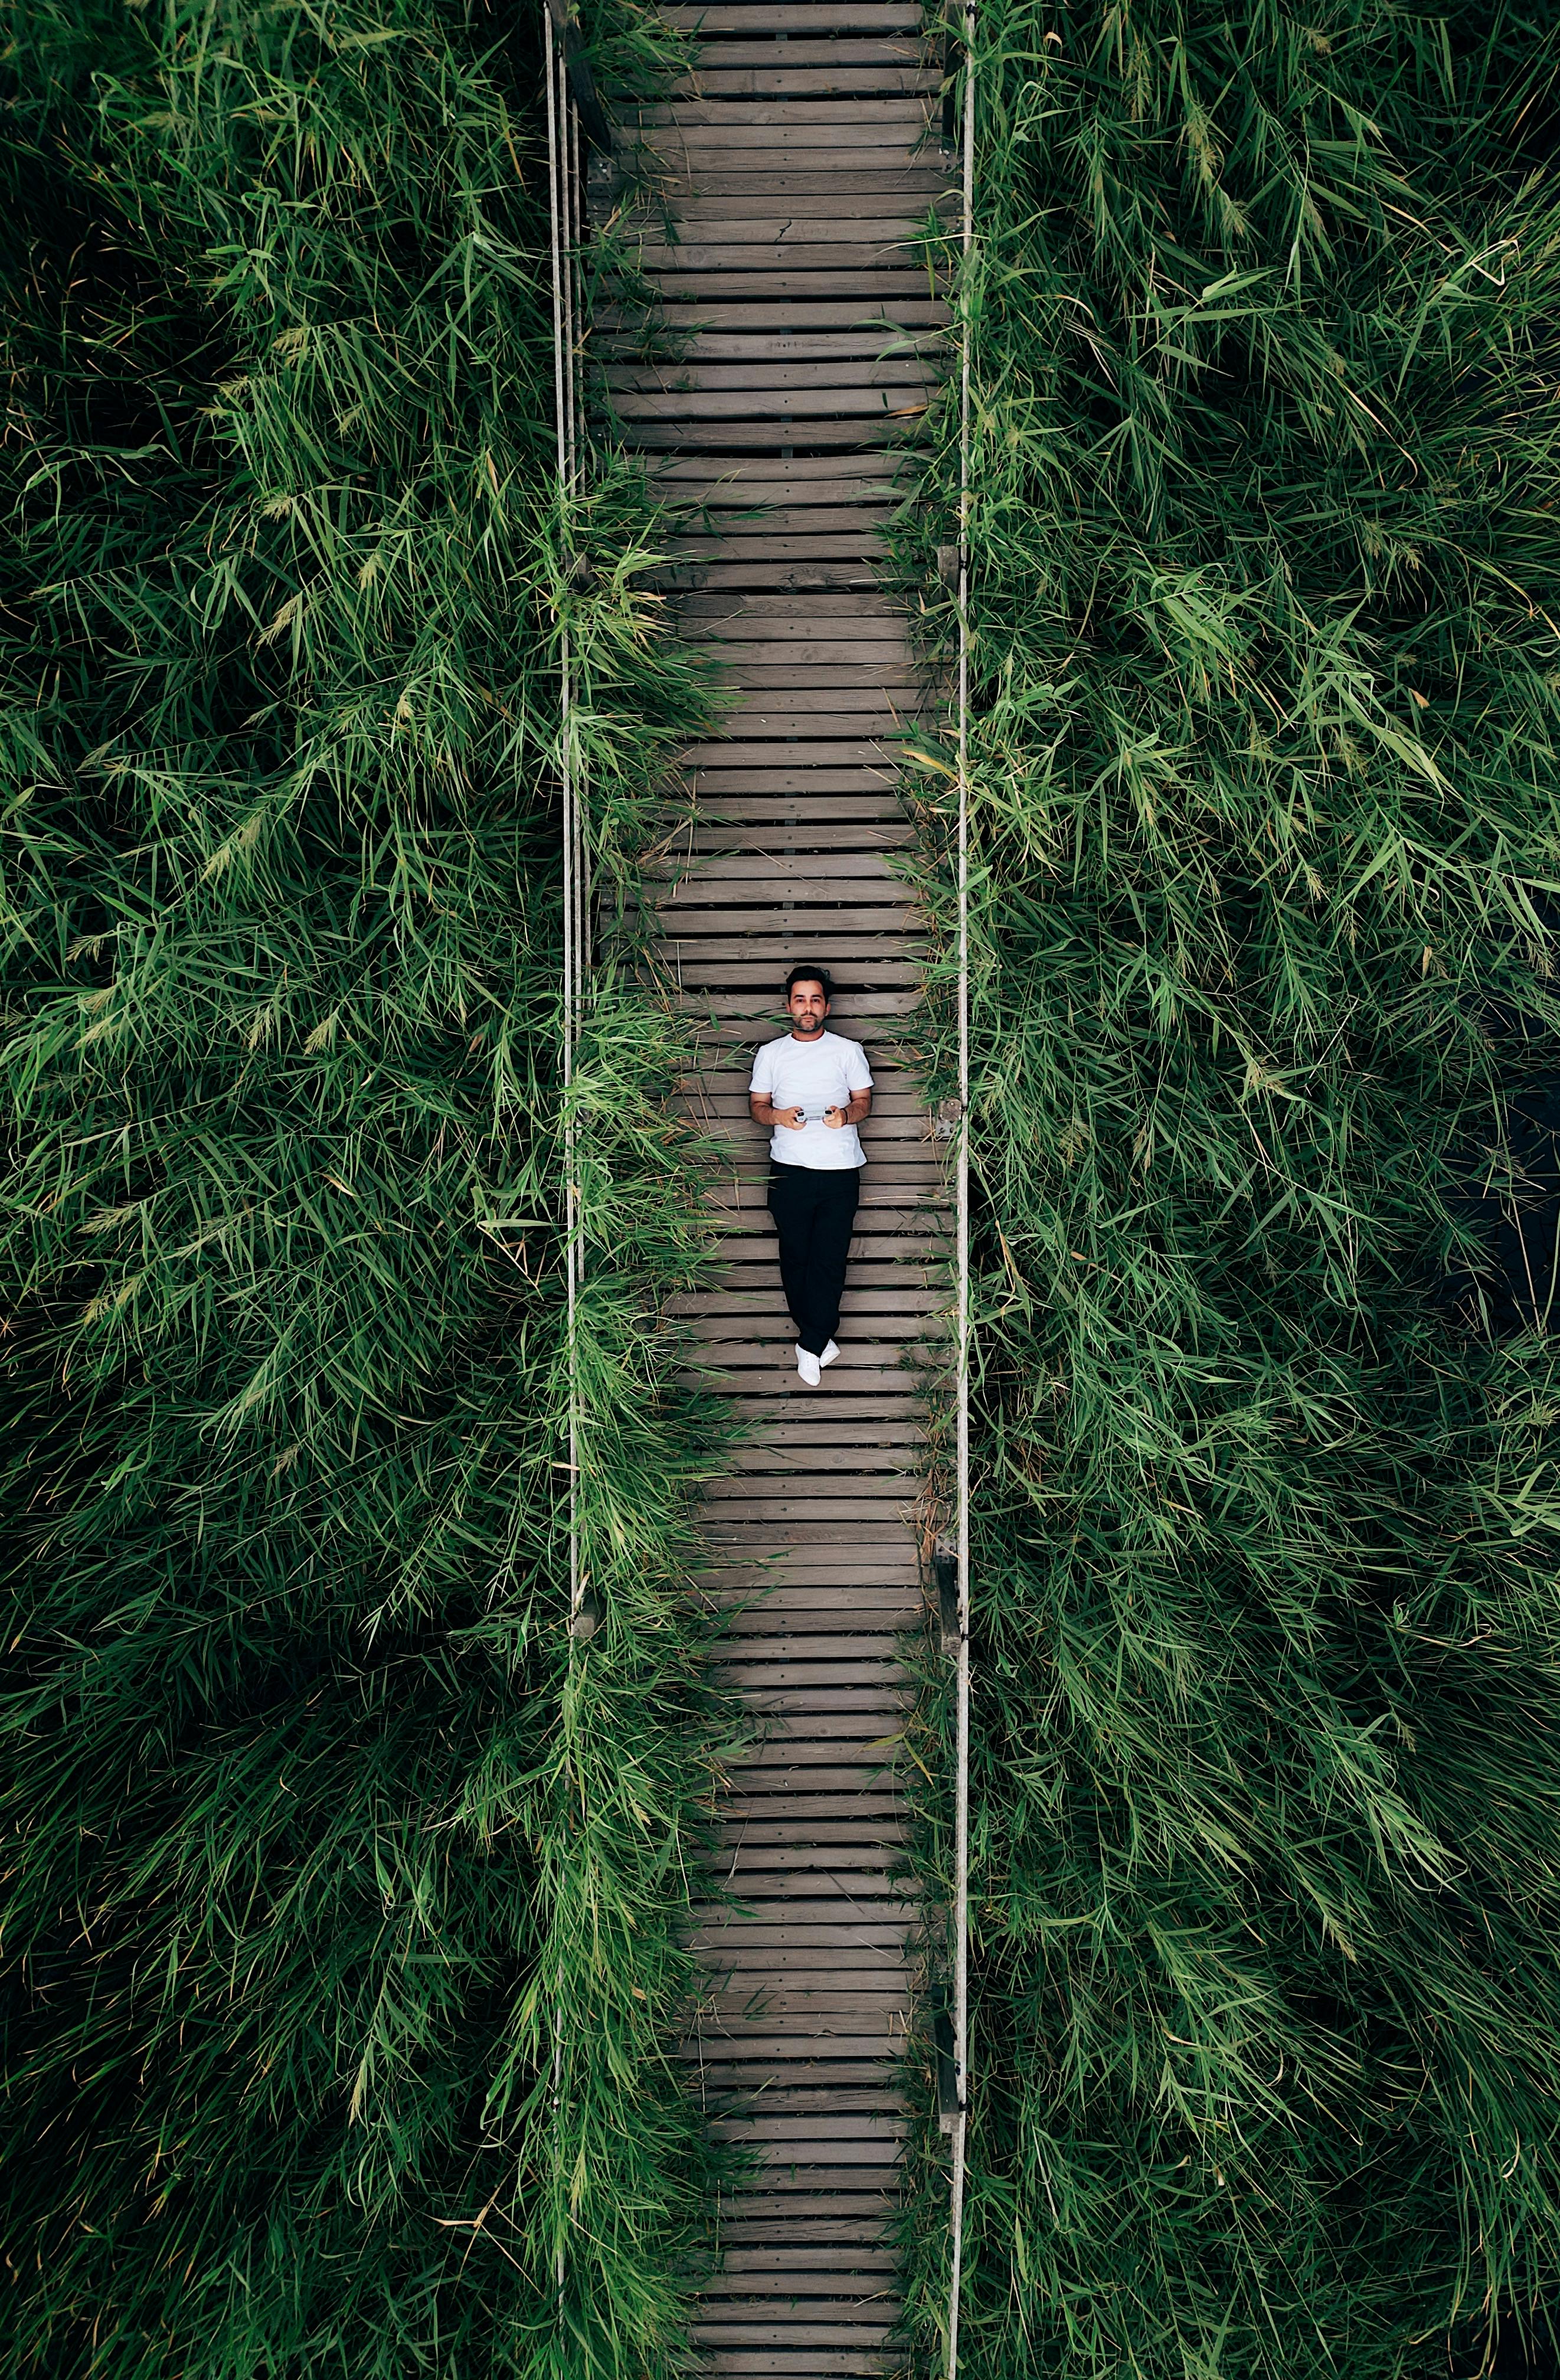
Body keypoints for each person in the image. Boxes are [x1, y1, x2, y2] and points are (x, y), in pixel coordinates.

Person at [748, 965, 874, 1387]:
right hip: (789, 1170)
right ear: (789, 1006)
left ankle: (810, 1343)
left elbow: (863, 1103)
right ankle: (818, 1339)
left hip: (840, 1170)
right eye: (800, 999)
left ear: (827, 1007)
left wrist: (845, 1116)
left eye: (815, 999)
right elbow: (757, 1108)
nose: (808, 1007)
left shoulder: (847, 1050)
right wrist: (779, 1117)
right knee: (796, 1257)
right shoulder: (771, 1054)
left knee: (829, 1260)